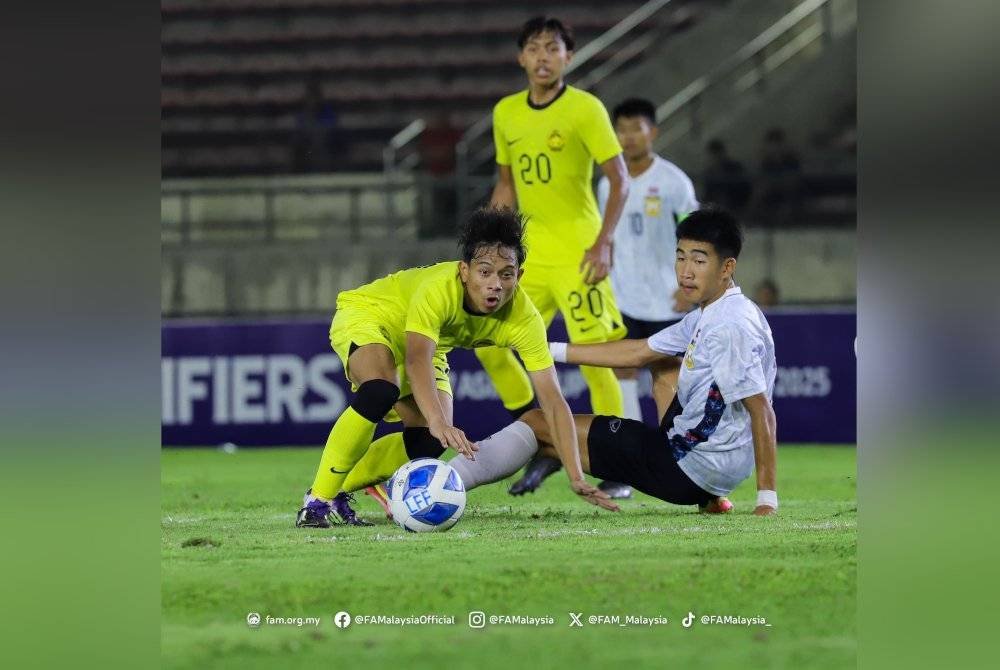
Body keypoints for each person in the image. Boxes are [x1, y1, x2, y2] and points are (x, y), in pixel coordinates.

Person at [295, 207, 618, 527]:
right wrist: (438, 419)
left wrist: (575, 475)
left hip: (427, 341)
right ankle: (317, 501)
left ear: (520, 276)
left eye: (506, 274)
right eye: (485, 272)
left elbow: (552, 400)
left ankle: (340, 487)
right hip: (372, 315)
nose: (496, 284)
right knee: (380, 390)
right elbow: (416, 360)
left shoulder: (524, 320)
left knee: (429, 442)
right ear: (464, 271)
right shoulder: (439, 288)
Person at [447, 208, 779, 516]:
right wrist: (552, 350)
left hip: (685, 469)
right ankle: (709, 496)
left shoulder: (728, 327)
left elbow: (761, 409)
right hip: (721, 468)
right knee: (664, 366)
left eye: (699, 260)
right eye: (680, 257)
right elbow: (638, 352)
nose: (686, 271)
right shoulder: (728, 309)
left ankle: (444, 482)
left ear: (727, 267)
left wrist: (767, 500)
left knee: (538, 422)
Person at [478, 16, 631, 497]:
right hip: (531, 255)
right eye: (535, 48)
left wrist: (603, 242)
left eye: (554, 48)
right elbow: (507, 184)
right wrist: (488, 245)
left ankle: (619, 465)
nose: (543, 57)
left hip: (581, 253)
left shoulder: (586, 109)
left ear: (569, 57)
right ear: (521, 57)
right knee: (490, 343)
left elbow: (620, 180)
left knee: (597, 361)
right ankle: (546, 442)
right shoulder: (506, 113)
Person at [702, 139, 752, 212]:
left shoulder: (735, 168)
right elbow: (708, 196)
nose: (714, 159)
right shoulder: (710, 174)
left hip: (737, 206)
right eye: (712, 156)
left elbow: (744, 189)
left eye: (716, 155)